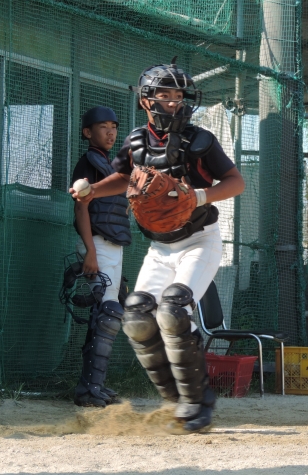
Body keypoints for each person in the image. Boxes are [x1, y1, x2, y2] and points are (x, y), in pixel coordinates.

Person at [70, 59, 245, 433]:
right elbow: (124, 177)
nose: (174, 102)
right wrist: (92, 191)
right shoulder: (136, 141)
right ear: (146, 101)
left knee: (174, 311)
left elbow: (236, 181)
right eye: (165, 95)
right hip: (161, 248)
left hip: (199, 240)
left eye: (179, 95)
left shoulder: (200, 140)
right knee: (136, 317)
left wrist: (199, 196)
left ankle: (198, 401)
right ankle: (177, 400)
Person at [70, 106, 132, 408]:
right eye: (103, 126)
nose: (111, 132)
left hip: (112, 245)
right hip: (97, 242)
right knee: (108, 313)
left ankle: (93, 385)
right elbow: (80, 207)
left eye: (114, 126)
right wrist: (90, 252)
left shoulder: (110, 166)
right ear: (87, 132)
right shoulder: (89, 163)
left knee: (105, 313)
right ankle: (89, 389)